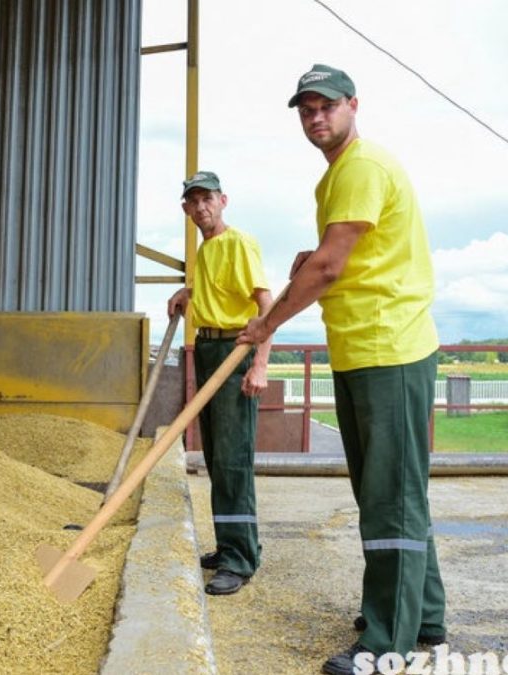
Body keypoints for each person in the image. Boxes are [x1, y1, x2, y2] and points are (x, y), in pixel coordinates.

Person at [236, 65, 447, 671]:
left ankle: (386, 644)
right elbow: (338, 256)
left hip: (391, 349)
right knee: (388, 491)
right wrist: (314, 259)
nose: (315, 118)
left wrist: (267, 324)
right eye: (305, 109)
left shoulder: (362, 168)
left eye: (325, 105)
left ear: (353, 105)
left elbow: (329, 267)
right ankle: (422, 615)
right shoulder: (335, 180)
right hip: (361, 349)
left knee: (390, 498)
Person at [167, 170, 273, 596]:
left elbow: (266, 305)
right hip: (208, 348)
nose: (201, 207)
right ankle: (230, 544)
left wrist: (259, 365)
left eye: (208, 198)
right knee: (216, 455)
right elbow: (215, 292)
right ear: (186, 209)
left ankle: (240, 559)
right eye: (193, 201)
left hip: (234, 349)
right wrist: (187, 293)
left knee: (233, 458)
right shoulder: (205, 249)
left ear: (223, 200)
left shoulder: (239, 243)